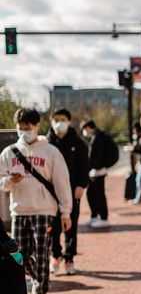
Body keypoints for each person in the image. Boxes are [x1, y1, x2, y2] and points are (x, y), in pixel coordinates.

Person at [0, 108, 72, 294]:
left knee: (41, 254)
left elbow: (62, 183)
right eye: (20, 128)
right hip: (19, 210)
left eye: (28, 128)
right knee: (20, 255)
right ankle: (36, 279)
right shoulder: (9, 153)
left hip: (44, 211)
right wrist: (8, 181)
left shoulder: (50, 152)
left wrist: (65, 211)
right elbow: (0, 181)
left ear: (37, 126)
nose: (24, 132)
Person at [48, 109, 89, 275]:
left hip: (72, 191)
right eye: (56, 119)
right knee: (53, 226)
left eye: (62, 119)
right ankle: (55, 255)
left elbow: (84, 166)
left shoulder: (78, 143)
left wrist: (81, 185)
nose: (59, 123)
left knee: (71, 226)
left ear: (69, 121)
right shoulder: (46, 143)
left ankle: (69, 257)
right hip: (50, 193)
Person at [81, 119, 118, 228]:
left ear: (88, 128)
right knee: (92, 194)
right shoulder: (99, 136)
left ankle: (103, 218)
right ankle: (95, 216)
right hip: (98, 170)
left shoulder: (97, 138)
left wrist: (90, 168)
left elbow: (94, 156)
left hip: (97, 171)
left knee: (98, 194)